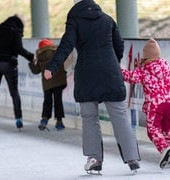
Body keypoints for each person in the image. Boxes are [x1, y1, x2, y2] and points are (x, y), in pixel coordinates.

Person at [43, 0, 141, 174]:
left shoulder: (75, 21)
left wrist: (52, 66)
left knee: (89, 117)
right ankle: (132, 157)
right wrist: (113, 62)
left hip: (87, 74)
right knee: (119, 115)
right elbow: (119, 45)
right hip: (110, 73)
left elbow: (67, 45)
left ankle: (94, 158)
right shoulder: (108, 20)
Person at [121, 38, 170, 169]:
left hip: (155, 104)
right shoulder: (166, 70)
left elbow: (130, 77)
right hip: (168, 104)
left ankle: (164, 149)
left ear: (146, 57)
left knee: (153, 129)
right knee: (165, 129)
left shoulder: (144, 70)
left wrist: (118, 71)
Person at [0, 15, 35, 131]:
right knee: (14, 93)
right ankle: (18, 119)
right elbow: (19, 48)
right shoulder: (15, 30)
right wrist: (31, 57)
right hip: (9, 64)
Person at [29, 39, 67, 131]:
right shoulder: (57, 52)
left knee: (47, 100)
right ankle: (59, 122)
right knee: (58, 100)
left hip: (47, 83)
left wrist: (31, 63)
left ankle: (44, 120)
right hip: (59, 81)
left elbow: (36, 71)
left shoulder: (40, 56)